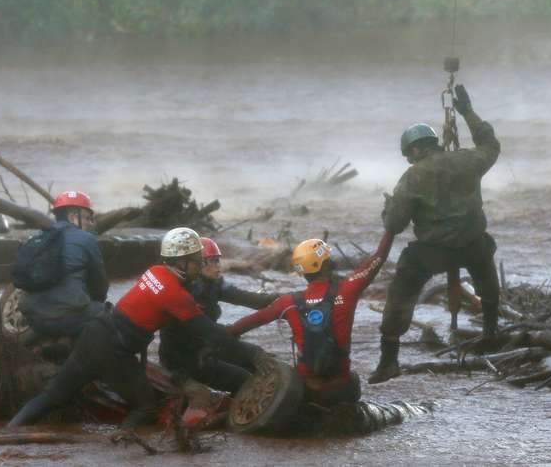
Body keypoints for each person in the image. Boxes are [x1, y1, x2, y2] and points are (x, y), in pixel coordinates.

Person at [8, 227, 268, 430]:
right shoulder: (174, 294)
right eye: (196, 261)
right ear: (180, 262)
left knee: (54, 395)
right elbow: (210, 332)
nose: (200, 266)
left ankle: (10, 432)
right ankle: (124, 446)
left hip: (94, 334)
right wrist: (251, 354)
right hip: (113, 351)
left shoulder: (155, 271)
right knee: (146, 407)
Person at [369, 84, 501, 384]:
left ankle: (388, 359)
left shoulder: (413, 177)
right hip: (471, 242)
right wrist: (467, 111)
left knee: (401, 290)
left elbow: (395, 224)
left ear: (415, 150)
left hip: (432, 251)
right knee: (484, 259)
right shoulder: (468, 160)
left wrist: (388, 208)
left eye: (408, 155)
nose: (409, 160)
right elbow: (490, 145)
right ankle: (491, 332)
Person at [227, 233, 393, 406]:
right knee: (353, 379)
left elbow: (250, 322)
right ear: (327, 264)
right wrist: (390, 232)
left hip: (304, 390)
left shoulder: (288, 302)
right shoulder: (346, 291)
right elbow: (377, 259)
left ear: (303, 272)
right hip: (340, 389)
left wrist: (226, 332)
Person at [158, 237, 276, 394]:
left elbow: (252, 299)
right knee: (244, 380)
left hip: (205, 346)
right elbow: (211, 332)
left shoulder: (215, 284)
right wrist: (252, 352)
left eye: (217, 261)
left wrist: (293, 297)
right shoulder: (181, 295)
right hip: (184, 361)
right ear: (195, 264)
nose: (217, 267)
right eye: (210, 262)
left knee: (257, 364)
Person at [18, 190, 109, 338]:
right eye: (88, 218)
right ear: (73, 217)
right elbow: (100, 286)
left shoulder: (37, 238)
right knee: (106, 313)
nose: (90, 223)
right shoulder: (86, 239)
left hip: (32, 319)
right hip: (68, 319)